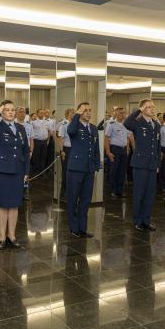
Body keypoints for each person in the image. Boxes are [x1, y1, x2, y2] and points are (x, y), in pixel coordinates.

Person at [0, 100, 30, 249]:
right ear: (2, 113)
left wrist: (26, 171)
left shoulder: (21, 128)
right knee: (3, 205)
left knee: (15, 204)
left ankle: (12, 235)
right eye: (7, 110)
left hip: (18, 170)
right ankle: (2, 236)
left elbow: (25, 151)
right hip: (3, 170)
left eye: (12, 110)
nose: (10, 112)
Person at [124, 100, 161, 232]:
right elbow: (126, 123)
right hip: (140, 164)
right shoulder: (138, 123)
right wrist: (139, 110)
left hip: (152, 164)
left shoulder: (156, 125)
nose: (152, 109)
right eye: (149, 107)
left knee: (150, 194)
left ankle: (146, 220)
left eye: (153, 107)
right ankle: (137, 221)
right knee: (139, 193)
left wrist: (158, 164)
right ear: (143, 109)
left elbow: (157, 146)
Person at [66, 102, 100, 238]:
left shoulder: (93, 128)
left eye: (90, 110)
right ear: (79, 112)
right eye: (85, 110)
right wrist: (77, 115)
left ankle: (83, 228)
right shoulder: (74, 125)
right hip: (75, 168)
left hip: (89, 169)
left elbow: (96, 147)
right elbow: (70, 132)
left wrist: (97, 164)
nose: (88, 113)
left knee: (86, 200)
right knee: (73, 199)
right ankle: (73, 228)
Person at [104, 107, 129, 198]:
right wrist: (108, 152)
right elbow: (106, 138)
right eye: (121, 113)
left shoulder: (126, 125)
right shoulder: (111, 124)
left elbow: (127, 138)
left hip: (123, 149)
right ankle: (113, 190)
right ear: (117, 114)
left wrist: (128, 148)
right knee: (114, 170)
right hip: (114, 149)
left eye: (124, 113)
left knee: (122, 171)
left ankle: (120, 190)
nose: (123, 115)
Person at [57, 108, 74, 195]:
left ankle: (72, 186)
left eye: (74, 113)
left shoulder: (76, 124)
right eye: (71, 113)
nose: (73, 114)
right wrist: (61, 150)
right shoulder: (64, 124)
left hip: (75, 150)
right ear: (67, 114)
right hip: (67, 149)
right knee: (65, 169)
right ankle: (65, 187)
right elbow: (61, 138)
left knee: (73, 169)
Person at [31, 109, 49, 175]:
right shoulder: (33, 122)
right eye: (40, 113)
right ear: (37, 113)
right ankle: (36, 171)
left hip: (44, 142)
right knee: (36, 156)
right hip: (37, 141)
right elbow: (31, 132)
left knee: (44, 156)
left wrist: (48, 140)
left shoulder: (46, 121)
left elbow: (49, 131)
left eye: (43, 113)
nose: (42, 114)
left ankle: (42, 172)